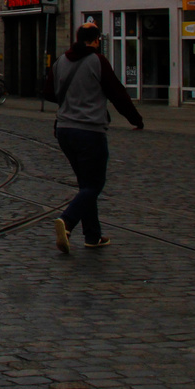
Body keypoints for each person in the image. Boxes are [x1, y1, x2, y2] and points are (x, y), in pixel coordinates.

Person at [44, 21, 143, 253]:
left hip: (64, 131)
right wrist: (135, 119)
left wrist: (71, 101)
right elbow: (117, 93)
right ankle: (67, 221)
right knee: (94, 184)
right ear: (97, 40)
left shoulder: (61, 61)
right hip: (89, 131)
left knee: (85, 185)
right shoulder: (98, 61)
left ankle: (92, 236)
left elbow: (48, 92)